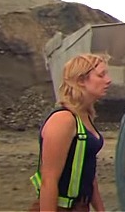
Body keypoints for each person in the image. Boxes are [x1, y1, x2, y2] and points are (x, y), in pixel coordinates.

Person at [30, 53, 112, 212]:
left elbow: (88, 171)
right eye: (101, 75)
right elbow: (49, 180)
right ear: (81, 80)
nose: (108, 80)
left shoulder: (85, 116)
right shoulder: (64, 119)